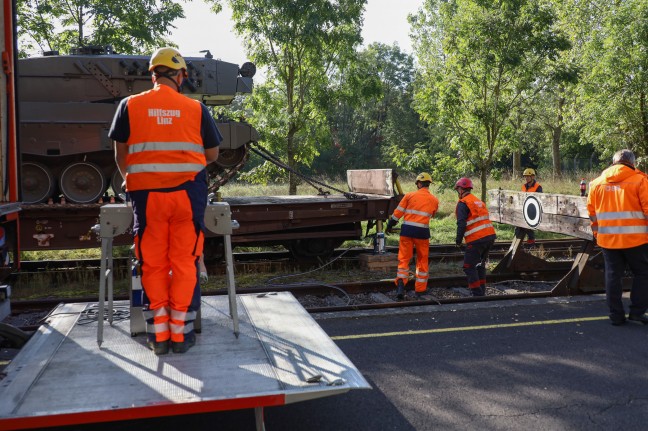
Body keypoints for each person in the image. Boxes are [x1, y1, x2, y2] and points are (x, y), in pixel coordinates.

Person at [108, 47, 222, 355]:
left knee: (153, 263)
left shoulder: (128, 105)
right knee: (185, 263)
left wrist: (135, 182)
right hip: (187, 196)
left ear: (153, 74)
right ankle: (181, 334)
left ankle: (158, 336)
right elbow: (212, 154)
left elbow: (121, 155)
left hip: (146, 199)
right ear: (181, 76)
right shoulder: (196, 109)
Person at [587, 149, 648, 326]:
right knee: (643, 273)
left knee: (613, 275)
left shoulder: (596, 183)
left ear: (613, 163)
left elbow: (592, 214)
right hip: (636, 240)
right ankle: (637, 312)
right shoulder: (640, 181)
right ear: (632, 163)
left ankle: (616, 315)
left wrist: (599, 234)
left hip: (608, 239)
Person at [386, 172, 439, 300]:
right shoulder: (434, 200)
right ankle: (420, 290)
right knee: (422, 260)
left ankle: (400, 285)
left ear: (418, 184)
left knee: (404, 259)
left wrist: (390, 225)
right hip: (422, 233)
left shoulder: (409, 195)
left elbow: (397, 213)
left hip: (407, 232)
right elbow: (432, 214)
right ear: (428, 185)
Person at [454, 177, 497, 296]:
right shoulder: (478, 201)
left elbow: (461, 223)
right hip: (489, 237)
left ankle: (476, 293)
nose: (458, 192)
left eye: (458, 189)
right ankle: (481, 291)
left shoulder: (463, 203)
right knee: (479, 265)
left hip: (477, 239)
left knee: (468, 266)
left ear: (461, 189)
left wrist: (458, 240)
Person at [516, 168, 543, 246]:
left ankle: (531, 243)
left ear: (533, 177)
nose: (526, 178)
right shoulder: (523, 187)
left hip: (533, 211)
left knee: (529, 227)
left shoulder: (538, 187)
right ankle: (518, 244)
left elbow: (540, 200)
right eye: (525, 176)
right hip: (524, 210)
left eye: (528, 176)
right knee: (518, 227)